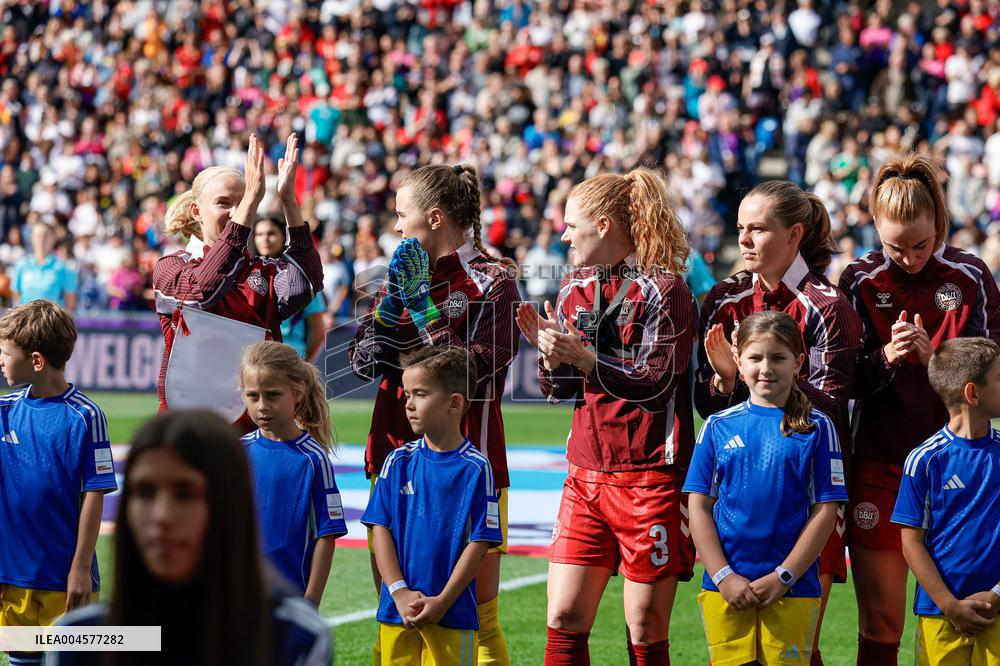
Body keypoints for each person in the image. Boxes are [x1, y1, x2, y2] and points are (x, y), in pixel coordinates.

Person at [516, 167, 696, 666]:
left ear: (602, 225)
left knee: (644, 626)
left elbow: (657, 381)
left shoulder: (667, 290)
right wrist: (552, 358)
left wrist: (587, 358)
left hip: (649, 476)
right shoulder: (574, 285)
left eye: (571, 225)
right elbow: (564, 391)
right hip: (585, 474)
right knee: (565, 617)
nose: (563, 235)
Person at [348, 164, 519, 665]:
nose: (397, 227)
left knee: (476, 621)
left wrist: (423, 311)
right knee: (394, 615)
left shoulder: (494, 281)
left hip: (470, 466)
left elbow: (474, 374)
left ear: (436, 217)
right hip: (394, 455)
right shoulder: (400, 274)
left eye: (403, 216)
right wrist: (390, 311)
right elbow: (361, 363)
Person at [838, 154, 1000, 665]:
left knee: (967, 617)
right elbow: (840, 379)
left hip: (964, 468)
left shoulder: (970, 276)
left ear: (940, 224)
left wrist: (938, 362)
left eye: (921, 244)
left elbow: (992, 369)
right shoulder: (860, 280)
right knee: (882, 623)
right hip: (881, 460)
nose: (908, 258)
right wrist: (885, 358)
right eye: (894, 247)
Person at [695, 180, 864, 666]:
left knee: (795, 651)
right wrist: (727, 384)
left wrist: (754, 381)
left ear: (794, 235)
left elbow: (830, 406)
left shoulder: (828, 306)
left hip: (807, 503)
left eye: (758, 230)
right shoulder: (724, 299)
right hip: (739, 508)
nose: (745, 240)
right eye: (741, 229)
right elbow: (708, 405)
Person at [46, 410, 332, 666]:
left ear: (229, 504)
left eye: (185, 493)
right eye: (144, 492)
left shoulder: (292, 637)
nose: (161, 515)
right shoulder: (78, 639)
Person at [685, 310, 847, 666]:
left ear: (798, 363)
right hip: (725, 588)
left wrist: (784, 576)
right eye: (755, 358)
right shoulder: (716, 426)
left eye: (778, 357)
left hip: (793, 588)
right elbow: (698, 507)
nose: (766, 368)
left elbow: (826, 510)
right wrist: (723, 576)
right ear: (738, 362)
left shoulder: (818, 427)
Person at [153, 133, 323, 418]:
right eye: (223, 203)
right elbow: (203, 290)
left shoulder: (258, 269)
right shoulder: (172, 267)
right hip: (188, 432)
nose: (236, 212)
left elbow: (306, 282)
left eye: (243, 202)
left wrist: (287, 200)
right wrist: (246, 209)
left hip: (256, 431)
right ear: (197, 211)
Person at [361, 346, 502, 665]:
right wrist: (398, 591)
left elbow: (479, 543)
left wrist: (442, 601)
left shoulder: (477, 468)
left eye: (419, 394)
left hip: (452, 614)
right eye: (407, 394)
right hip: (397, 612)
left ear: (455, 403)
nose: (408, 404)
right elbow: (379, 529)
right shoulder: (396, 461)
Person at [0, 301, 116, 666]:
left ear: (36, 360)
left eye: (5, 353)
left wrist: (80, 567)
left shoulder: (85, 415)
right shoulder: (4, 411)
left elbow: (95, 494)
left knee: (68, 660)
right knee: (21, 659)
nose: (1, 361)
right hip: (11, 575)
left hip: (63, 577)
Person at [892, 337, 1000, 666]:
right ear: (972, 393)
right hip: (940, 613)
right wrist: (949, 604)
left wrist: (997, 594)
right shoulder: (924, 459)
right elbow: (911, 542)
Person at [240, 341, 347, 605]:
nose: (262, 405)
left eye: (273, 395)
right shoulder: (236, 452)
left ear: (298, 392)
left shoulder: (313, 460)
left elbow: (327, 535)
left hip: (287, 599)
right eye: (253, 396)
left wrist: (310, 602)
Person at [250, 216, 327, 360]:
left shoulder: (302, 278)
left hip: (290, 359)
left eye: (271, 233)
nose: (265, 239)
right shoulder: (246, 275)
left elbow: (318, 331)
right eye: (259, 234)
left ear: (284, 237)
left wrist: (304, 364)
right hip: (255, 359)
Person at [11, 222, 78, 311]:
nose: (41, 239)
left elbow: (70, 303)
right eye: (38, 236)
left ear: (53, 238)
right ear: (32, 238)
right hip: (25, 321)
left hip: (52, 322)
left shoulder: (64, 268)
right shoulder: (22, 265)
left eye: (46, 235)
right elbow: (16, 296)